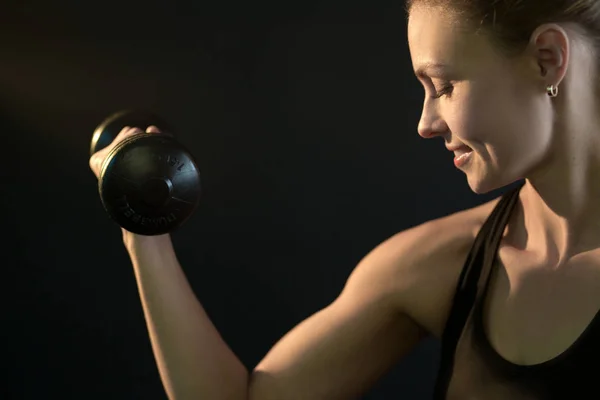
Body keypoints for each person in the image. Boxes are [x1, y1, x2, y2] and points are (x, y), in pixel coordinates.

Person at [89, 0, 600, 398]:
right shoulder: (440, 265)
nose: (426, 123)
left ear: (546, 59)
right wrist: (143, 227)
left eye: (442, 85)